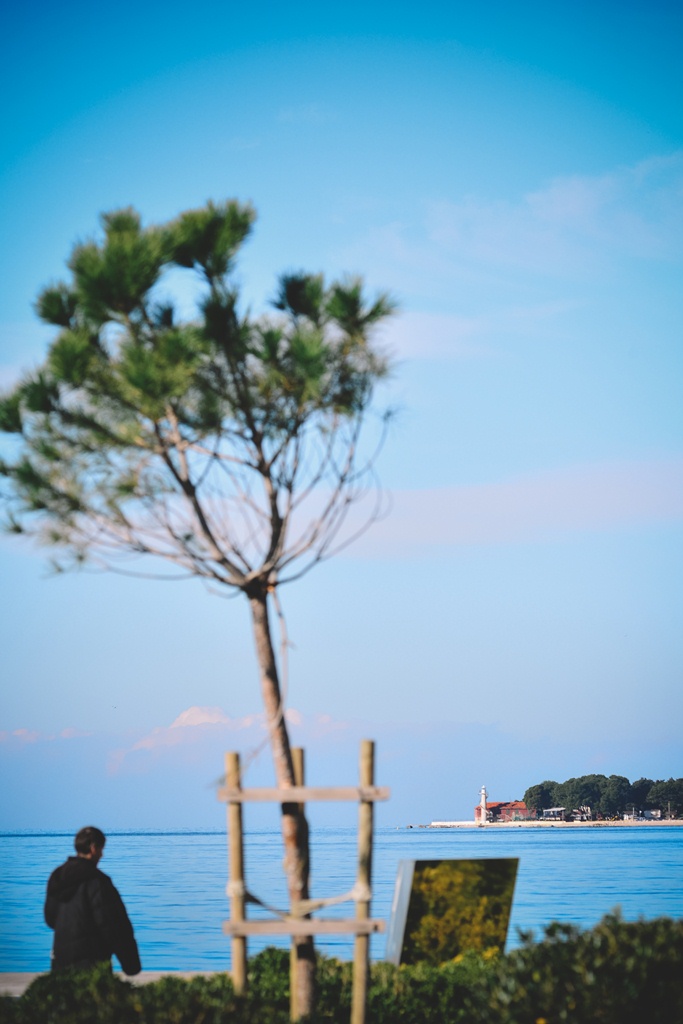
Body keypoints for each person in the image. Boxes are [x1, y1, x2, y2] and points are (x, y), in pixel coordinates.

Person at [44, 825, 141, 975]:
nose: (102, 855)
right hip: (91, 963)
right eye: (102, 849)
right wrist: (131, 964)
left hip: (60, 960)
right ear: (94, 848)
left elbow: (50, 919)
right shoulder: (98, 882)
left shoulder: (57, 876)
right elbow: (115, 925)